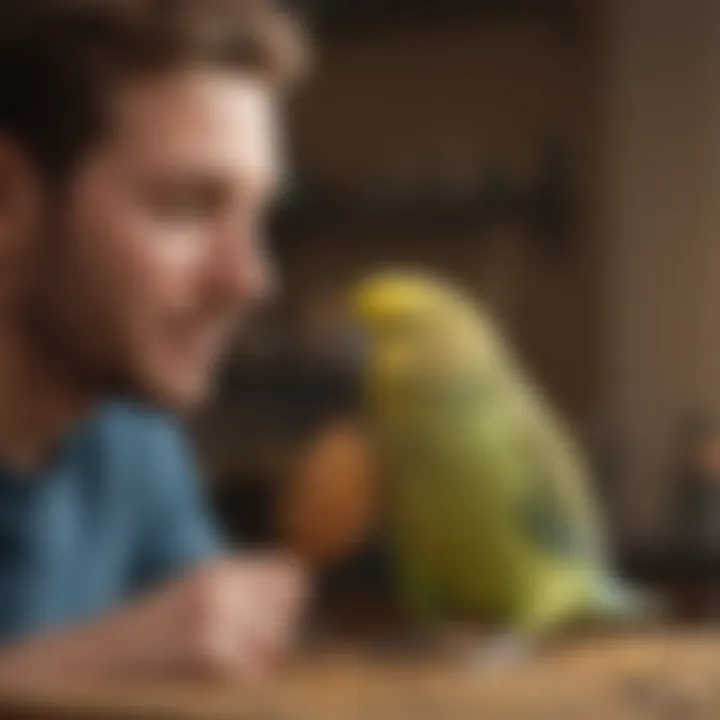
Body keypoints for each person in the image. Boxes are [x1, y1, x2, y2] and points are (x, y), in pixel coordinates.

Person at [0, 0, 310, 684]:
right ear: (9, 197)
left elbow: (203, 657)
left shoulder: (133, 438)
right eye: (188, 206)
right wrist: (91, 662)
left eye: (256, 216)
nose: (250, 280)